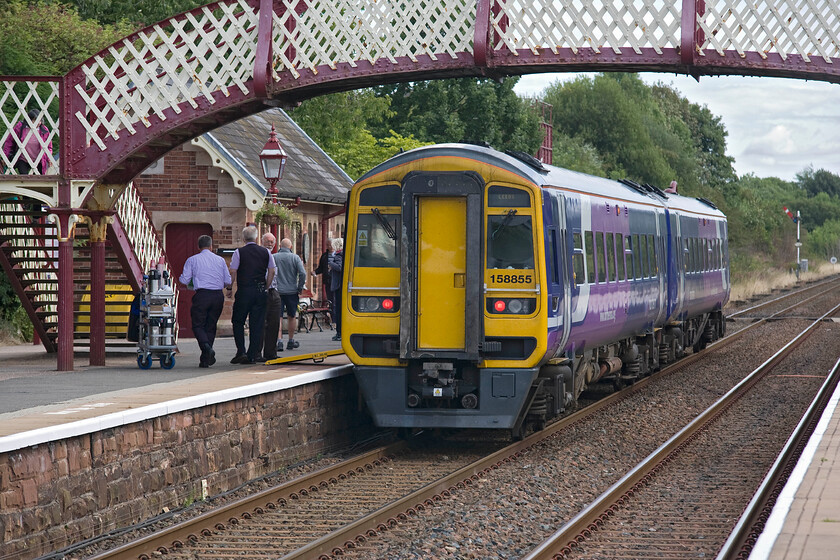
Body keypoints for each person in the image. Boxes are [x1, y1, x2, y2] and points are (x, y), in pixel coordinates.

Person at [179, 235, 232, 368]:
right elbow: (227, 281)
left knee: (198, 325)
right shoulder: (220, 260)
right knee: (211, 325)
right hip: (217, 295)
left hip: (202, 295)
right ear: (211, 246)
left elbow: (184, 280)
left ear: (198, 247)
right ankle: (205, 359)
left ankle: (206, 348)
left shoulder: (192, 260)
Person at [229, 226, 275, 364]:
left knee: (238, 321)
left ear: (243, 238)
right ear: (256, 238)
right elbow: (272, 271)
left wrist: (230, 287)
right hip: (260, 290)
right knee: (257, 323)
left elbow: (233, 271)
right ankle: (252, 354)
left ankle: (241, 351)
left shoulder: (239, 252)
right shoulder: (266, 252)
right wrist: (266, 286)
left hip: (244, 290)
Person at [264, 237, 306, 358]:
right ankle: (291, 340)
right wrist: (299, 286)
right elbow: (302, 273)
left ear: (280, 246)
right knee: (292, 315)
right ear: (290, 247)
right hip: (292, 291)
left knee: (278, 317)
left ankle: (279, 340)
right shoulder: (295, 258)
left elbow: (269, 271)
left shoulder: (274, 257)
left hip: (277, 291)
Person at [2, 109, 53, 175]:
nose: (38, 123)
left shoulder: (44, 130)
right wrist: (5, 156)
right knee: (24, 177)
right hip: (23, 158)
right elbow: (9, 142)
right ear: (29, 119)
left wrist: (49, 159)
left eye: (40, 120)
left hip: (39, 160)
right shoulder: (20, 128)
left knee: (38, 179)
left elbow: (49, 146)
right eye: (35, 120)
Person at [313, 239, 333, 327]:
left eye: (330, 245)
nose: (329, 247)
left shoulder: (338, 255)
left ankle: (335, 318)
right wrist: (315, 272)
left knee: (336, 300)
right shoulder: (325, 256)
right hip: (328, 281)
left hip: (337, 281)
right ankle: (333, 318)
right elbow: (321, 268)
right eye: (327, 245)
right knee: (330, 300)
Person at [327, 237, 344, 341]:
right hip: (339, 285)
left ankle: (339, 333)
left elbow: (339, 267)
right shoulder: (341, 255)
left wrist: (330, 264)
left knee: (338, 310)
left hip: (338, 286)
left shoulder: (338, 255)